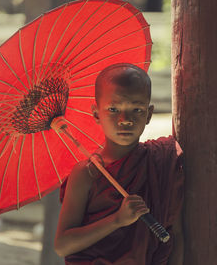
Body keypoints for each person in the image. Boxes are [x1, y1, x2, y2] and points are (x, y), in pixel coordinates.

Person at [54, 63, 184, 264]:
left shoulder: (162, 162)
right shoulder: (86, 173)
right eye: (113, 109)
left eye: (137, 109)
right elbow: (63, 245)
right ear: (97, 114)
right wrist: (116, 220)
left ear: (149, 115)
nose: (125, 120)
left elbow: (176, 234)